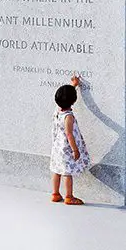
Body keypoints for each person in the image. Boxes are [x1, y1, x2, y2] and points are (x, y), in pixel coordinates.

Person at [50, 75, 91, 205]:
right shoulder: (69, 117)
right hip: (66, 149)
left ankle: (55, 194)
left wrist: (74, 84)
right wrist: (75, 150)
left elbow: (66, 96)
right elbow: (69, 134)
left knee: (57, 170)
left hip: (57, 147)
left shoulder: (58, 110)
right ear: (73, 101)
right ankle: (69, 196)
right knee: (67, 173)